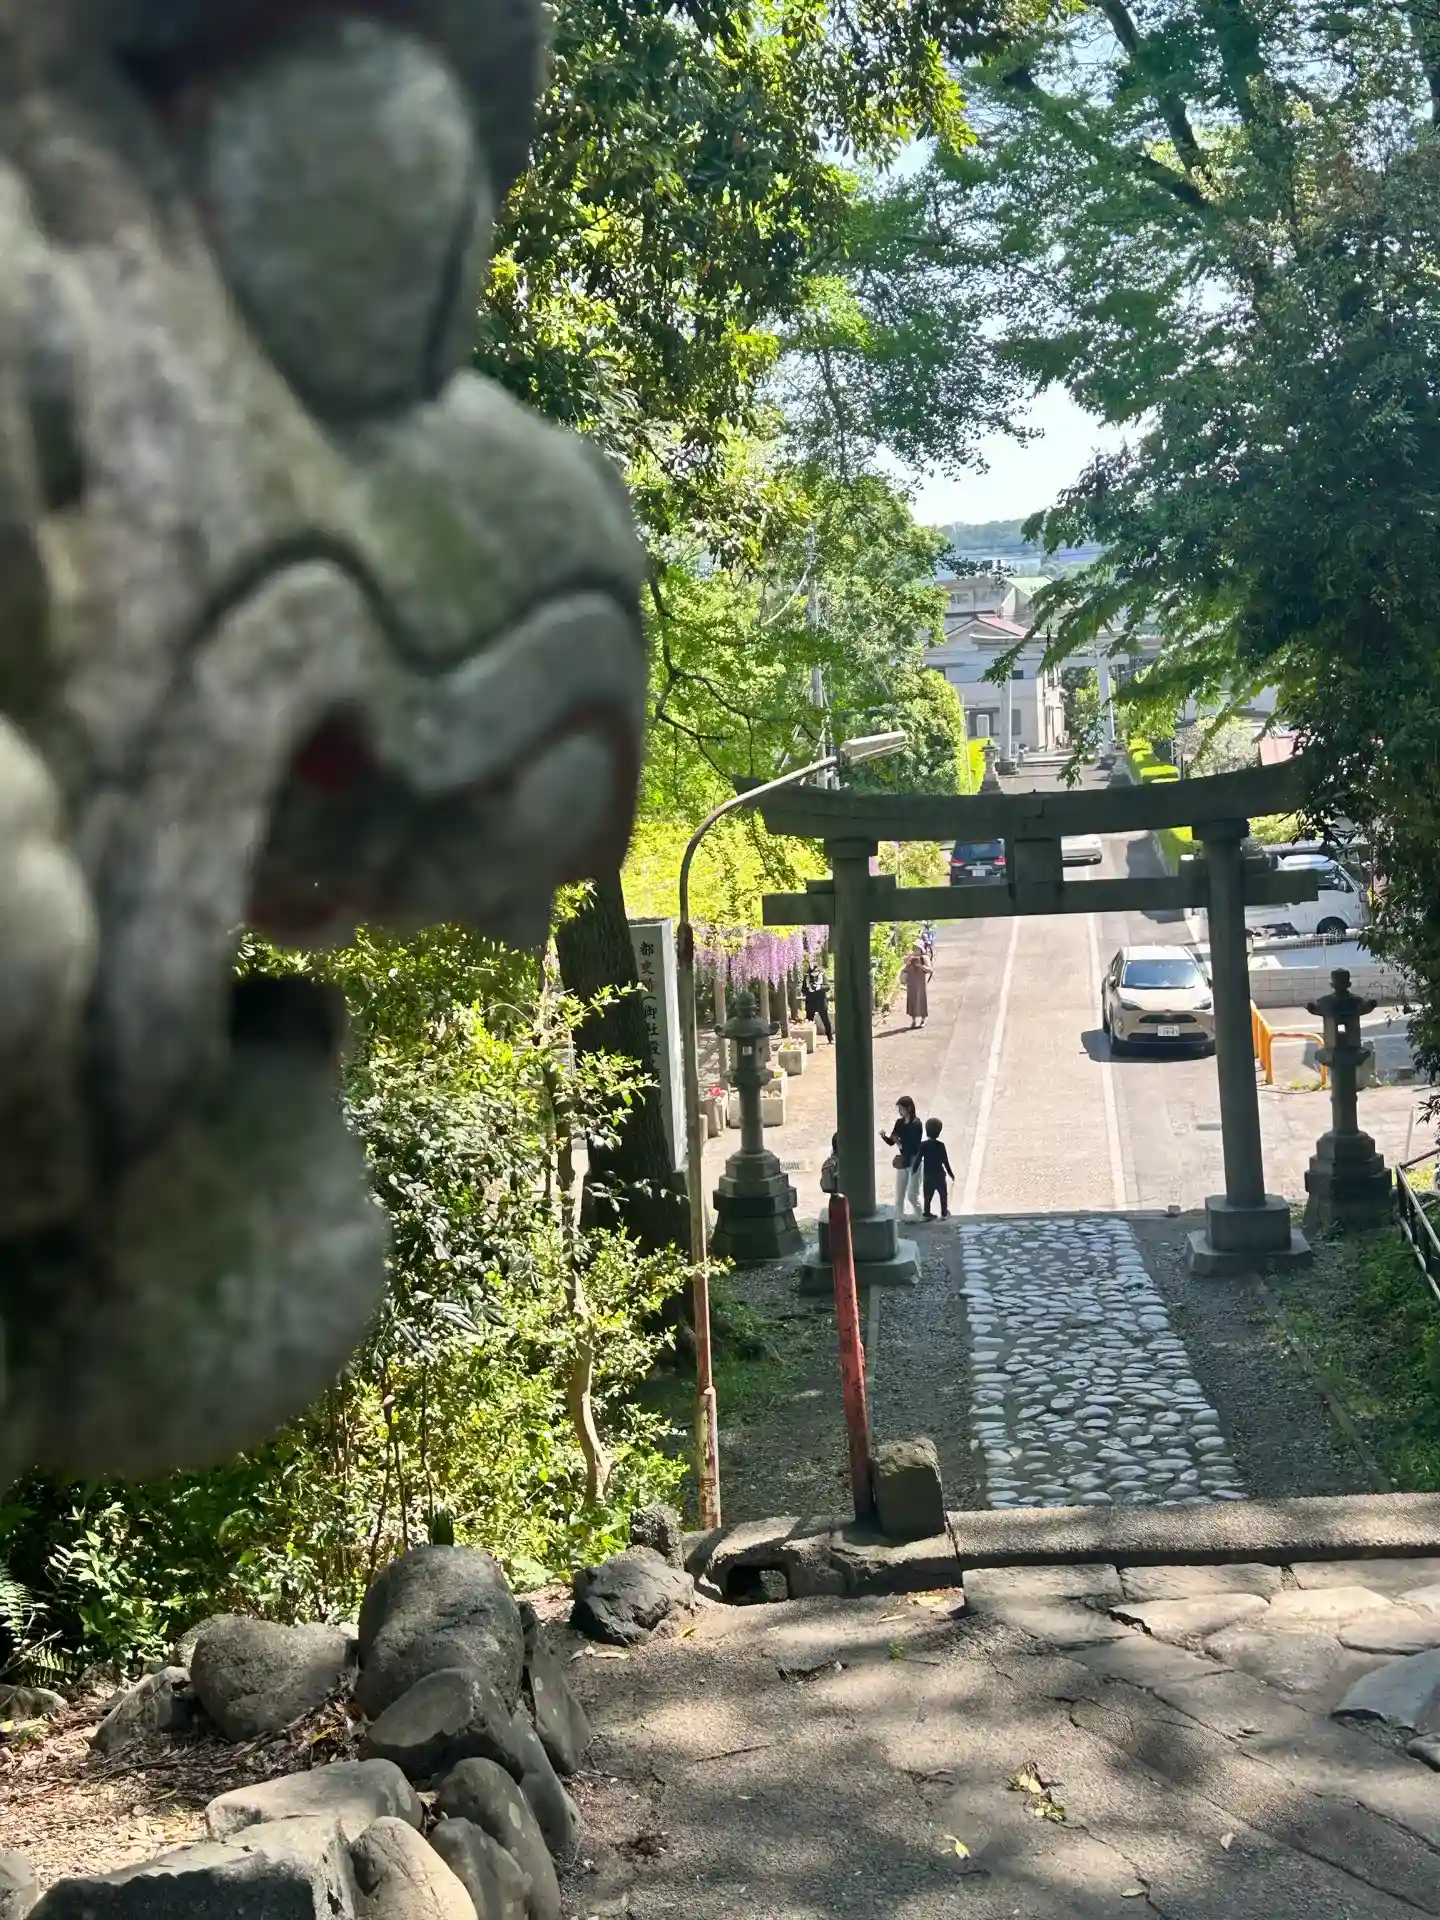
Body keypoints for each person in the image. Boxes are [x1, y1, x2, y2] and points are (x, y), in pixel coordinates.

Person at [880, 1095, 923, 1220]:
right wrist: (885, 1137)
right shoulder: (899, 1123)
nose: (899, 1111)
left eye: (901, 1109)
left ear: (909, 1108)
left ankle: (918, 1214)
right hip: (904, 1160)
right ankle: (899, 1217)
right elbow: (892, 1141)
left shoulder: (916, 1124)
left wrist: (899, 1143)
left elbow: (913, 1145)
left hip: (914, 1161)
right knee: (899, 1194)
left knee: (912, 1195)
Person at [916, 1117, 955, 1220]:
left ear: (926, 1131)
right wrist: (951, 1174)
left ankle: (927, 1212)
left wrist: (913, 1171)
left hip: (928, 1175)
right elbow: (945, 1161)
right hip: (939, 1175)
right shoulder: (941, 1145)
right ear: (939, 1132)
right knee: (943, 1194)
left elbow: (918, 1159)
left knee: (927, 1195)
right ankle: (944, 1212)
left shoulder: (923, 1145)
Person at [901, 944, 932, 1029]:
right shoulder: (911, 957)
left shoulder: (924, 958)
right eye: (914, 948)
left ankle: (923, 1019)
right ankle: (913, 1020)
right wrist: (910, 957)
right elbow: (904, 962)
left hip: (920, 983)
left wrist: (920, 965)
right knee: (912, 1000)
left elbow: (930, 970)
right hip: (911, 982)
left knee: (921, 1000)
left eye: (917, 948)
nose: (916, 950)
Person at [802, 959, 833, 1043]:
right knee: (809, 1022)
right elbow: (803, 990)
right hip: (810, 1003)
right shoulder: (806, 978)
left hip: (821, 1002)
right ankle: (809, 1041)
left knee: (826, 1021)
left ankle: (830, 1038)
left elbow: (827, 987)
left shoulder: (822, 976)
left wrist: (819, 987)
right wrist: (809, 989)